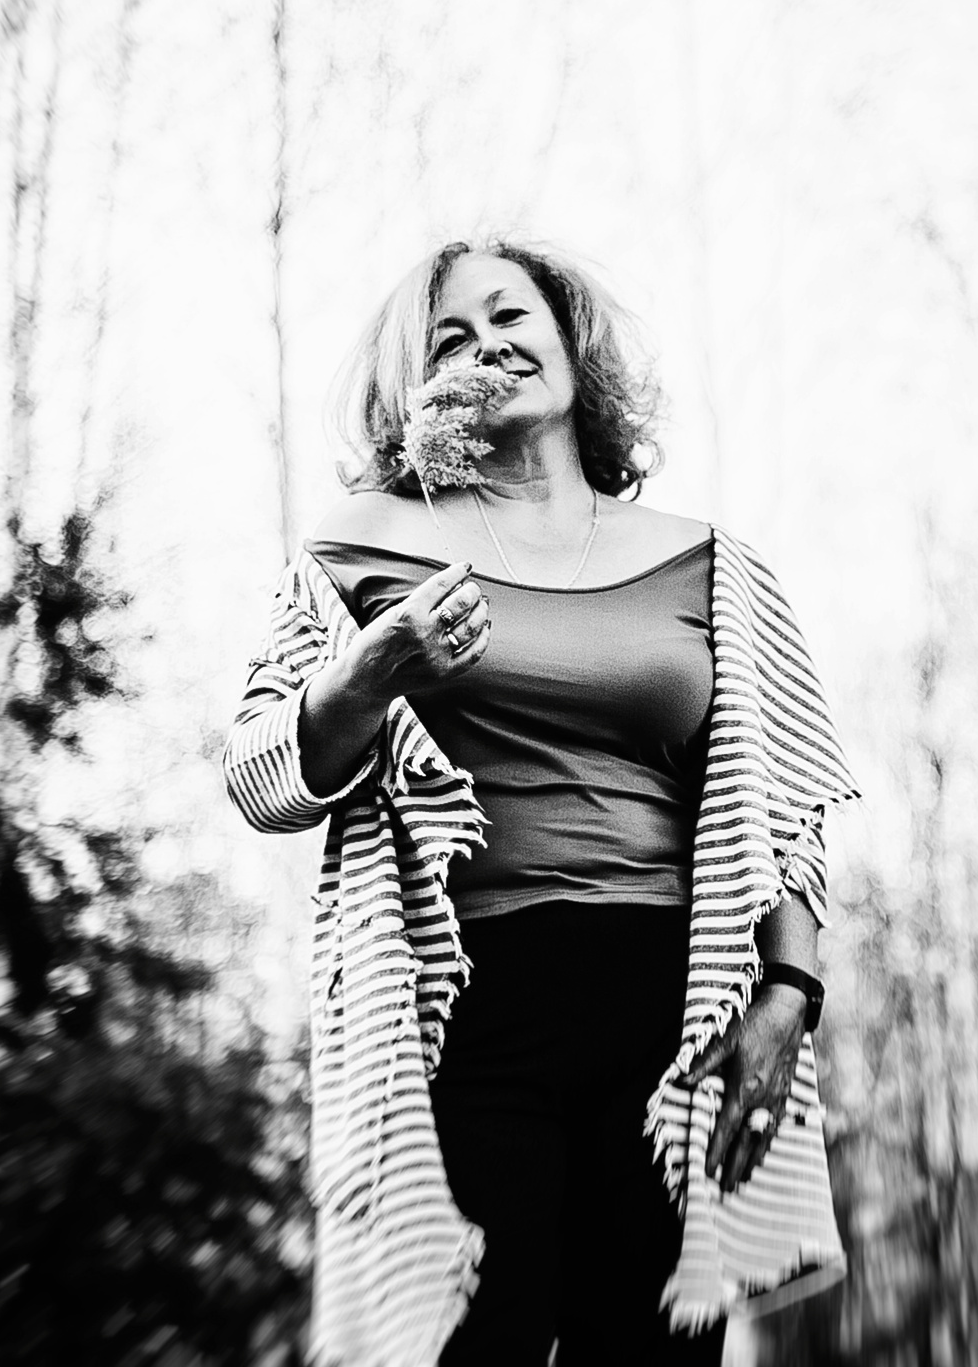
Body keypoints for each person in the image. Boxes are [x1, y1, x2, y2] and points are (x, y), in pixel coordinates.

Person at [224, 239, 857, 1366]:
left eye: (510, 317)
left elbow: (785, 810)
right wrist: (367, 673)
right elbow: (259, 774)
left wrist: (788, 995)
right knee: (475, 1340)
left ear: (570, 340)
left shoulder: (710, 564)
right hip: (461, 1013)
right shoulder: (361, 550)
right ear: (420, 386)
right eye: (451, 339)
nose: (488, 347)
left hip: (671, 1016)